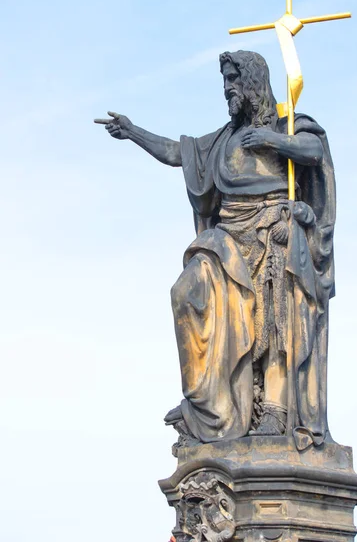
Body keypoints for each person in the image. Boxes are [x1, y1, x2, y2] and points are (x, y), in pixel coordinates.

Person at [95, 51, 335, 450]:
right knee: (186, 291)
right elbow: (177, 153)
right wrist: (133, 132)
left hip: (273, 233)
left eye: (233, 80)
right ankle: (206, 403)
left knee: (274, 323)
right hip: (227, 239)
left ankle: (274, 409)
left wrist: (273, 139)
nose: (227, 88)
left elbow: (314, 151)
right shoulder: (223, 139)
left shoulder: (287, 124)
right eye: (224, 80)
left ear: (254, 81)